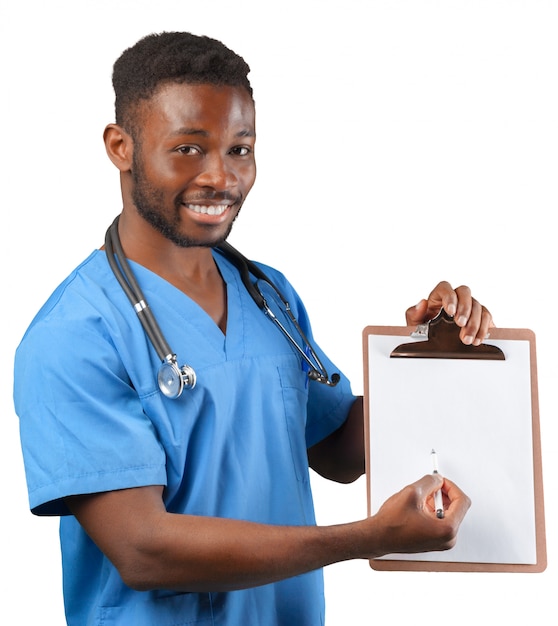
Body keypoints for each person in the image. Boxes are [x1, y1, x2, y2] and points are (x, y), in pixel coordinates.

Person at [14, 32, 492, 626]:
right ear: (121, 146)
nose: (221, 177)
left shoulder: (267, 296)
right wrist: (363, 538)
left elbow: (338, 451)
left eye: (240, 149)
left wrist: (424, 357)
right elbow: (143, 551)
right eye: (188, 149)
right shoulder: (74, 334)